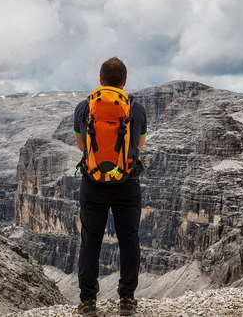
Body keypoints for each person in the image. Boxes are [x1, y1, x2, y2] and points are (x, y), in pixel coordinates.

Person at [73, 57, 147, 317]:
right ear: (125, 82)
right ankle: (127, 299)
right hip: (127, 183)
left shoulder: (84, 107)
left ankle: (87, 302)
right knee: (129, 240)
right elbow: (138, 146)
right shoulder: (136, 109)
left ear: (100, 80)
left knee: (91, 241)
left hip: (93, 184)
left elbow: (82, 146)